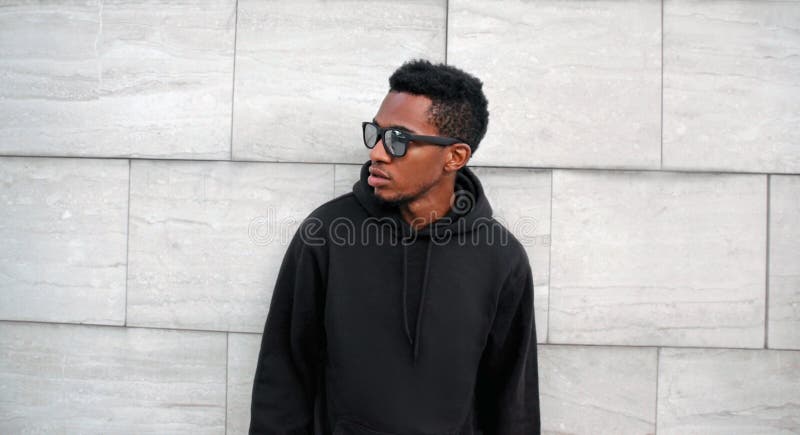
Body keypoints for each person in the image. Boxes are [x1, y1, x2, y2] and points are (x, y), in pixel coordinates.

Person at [249, 59, 541, 435]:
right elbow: (283, 377)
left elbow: (512, 404)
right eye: (377, 133)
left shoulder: (502, 258)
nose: (378, 153)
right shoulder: (326, 234)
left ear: (455, 156)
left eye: (399, 140)